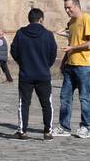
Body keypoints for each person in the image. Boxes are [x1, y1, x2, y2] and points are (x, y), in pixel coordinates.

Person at [55, 0, 90, 139]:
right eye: (65, 8)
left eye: (69, 8)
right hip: (71, 65)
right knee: (65, 97)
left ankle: (85, 127)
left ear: (77, 6)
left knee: (84, 98)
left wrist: (73, 48)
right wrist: (64, 62)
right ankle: (64, 127)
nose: (67, 11)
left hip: (85, 66)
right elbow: (71, 43)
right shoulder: (71, 22)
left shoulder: (87, 19)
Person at [11, 7, 58, 140]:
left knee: (24, 103)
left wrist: (23, 63)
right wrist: (45, 65)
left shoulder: (20, 34)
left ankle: (22, 131)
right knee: (46, 104)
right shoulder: (48, 35)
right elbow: (53, 53)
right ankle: (47, 131)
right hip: (43, 74)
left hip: (26, 74)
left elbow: (14, 51)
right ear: (41, 19)